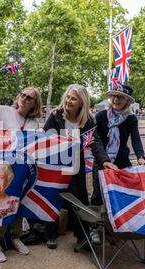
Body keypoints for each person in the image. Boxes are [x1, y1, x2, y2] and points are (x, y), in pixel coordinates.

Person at [0, 75, 42, 263]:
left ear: (34, 104)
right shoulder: (4, 111)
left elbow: (37, 144)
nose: (25, 98)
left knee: (20, 204)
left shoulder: (34, 124)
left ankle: (16, 237)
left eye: (30, 97)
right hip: (3, 168)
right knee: (3, 205)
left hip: (22, 170)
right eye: (23, 94)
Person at [43, 84, 117, 250]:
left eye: (73, 98)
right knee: (55, 197)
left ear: (81, 102)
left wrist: (104, 161)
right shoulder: (56, 115)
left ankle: (82, 235)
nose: (69, 101)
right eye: (68, 97)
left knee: (80, 199)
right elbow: (46, 136)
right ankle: (51, 234)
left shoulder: (88, 120)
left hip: (76, 164)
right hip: (57, 164)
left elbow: (95, 141)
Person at [91, 84, 145, 206]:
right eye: (114, 96)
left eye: (120, 97)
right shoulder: (101, 116)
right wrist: (105, 161)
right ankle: (96, 224)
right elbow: (96, 140)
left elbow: (135, 138)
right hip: (102, 162)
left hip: (121, 161)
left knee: (122, 194)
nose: (116, 100)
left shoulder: (131, 119)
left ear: (127, 101)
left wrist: (140, 157)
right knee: (98, 194)